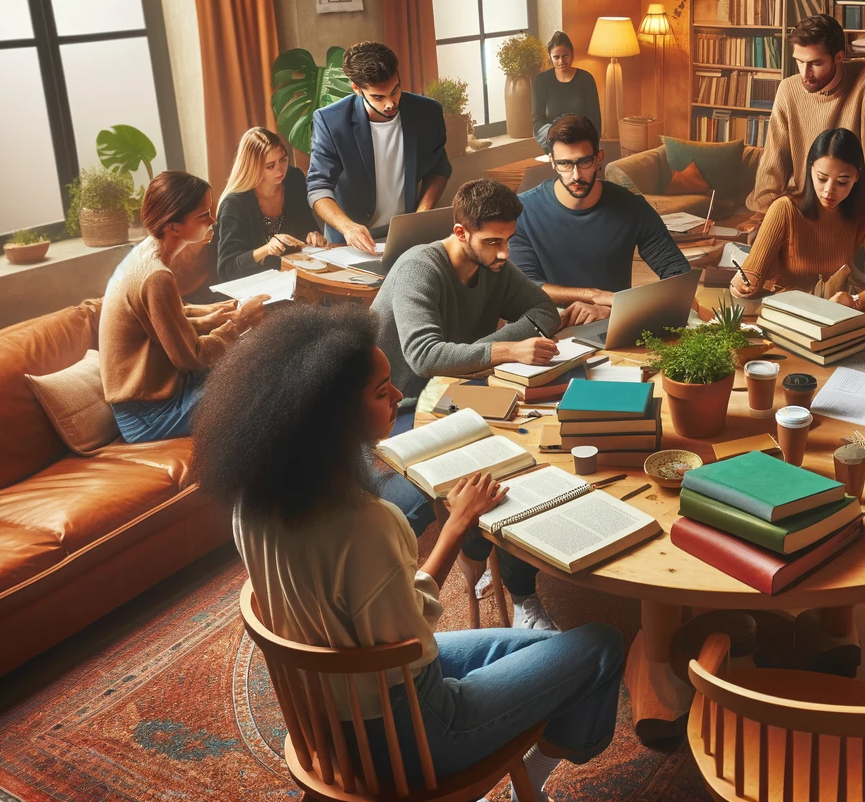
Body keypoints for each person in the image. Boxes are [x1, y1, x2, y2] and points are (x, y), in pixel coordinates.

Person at [195, 306, 624, 799]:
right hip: (408, 736)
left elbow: (386, 631)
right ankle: (538, 771)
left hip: (324, 713)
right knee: (602, 644)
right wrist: (456, 526)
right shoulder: (366, 525)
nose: (399, 396)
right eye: (382, 392)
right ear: (332, 420)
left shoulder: (250, 500)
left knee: (549, 650)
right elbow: (415, 625)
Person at [370, 177, 562, 630]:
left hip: (460, 392)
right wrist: (506, 350)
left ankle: (496, 567)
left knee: (529, 455)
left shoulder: (493, 266)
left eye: (509, 241)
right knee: (485, 469)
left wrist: (478, 348)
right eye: (493, 242)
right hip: (400, 407)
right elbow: (424, 356)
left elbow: (545, 313)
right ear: (460, 233)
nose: (503, 253)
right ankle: (506, 580)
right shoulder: (421, 266)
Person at [100, 171, 268, 442]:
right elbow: (193, 357)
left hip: (161, 394)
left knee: (261, 360)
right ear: (174, 226)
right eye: (203, 215)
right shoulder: (156, 277)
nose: (213, 220)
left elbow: (165, 315)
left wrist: (212, 315)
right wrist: (240, 323)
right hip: (150, 414)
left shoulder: (145, 253)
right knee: (268, 384)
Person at [746, 14, 865, 264]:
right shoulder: (788, 90)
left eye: (815, 63)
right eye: (799, 62)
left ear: (839, 57)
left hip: (855, 211)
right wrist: (763, 215)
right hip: (803, 211)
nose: (806, 74)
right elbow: (774, 160)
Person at [509, 113, 690, 327]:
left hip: (615, 322)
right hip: (552, 329)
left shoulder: (631, 206)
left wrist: (613, 309)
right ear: (552, 162)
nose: (576, 175)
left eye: (584, 162)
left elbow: (678, 275)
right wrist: (593, 295)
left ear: (599, 158)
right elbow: (528, 286)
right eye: (565, 164)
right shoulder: (522, 211)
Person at [732, 127, 865, 312]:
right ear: (810, 169)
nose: (829, 190)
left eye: (842, 182)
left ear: (857, 176)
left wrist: (855, 300)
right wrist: (743, 284)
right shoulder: (785, 208)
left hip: (835, 312)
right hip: (788, 311)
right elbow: (751, 273)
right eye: (822, 178)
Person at [307, 40, 452, 253]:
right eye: (378, 97)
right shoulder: (331, 122)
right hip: (350, 240)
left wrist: (422, 215)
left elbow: (439, 168)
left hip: (406, 234)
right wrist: (348, 228)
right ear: (356, 89)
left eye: (395, 91)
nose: (390, 103)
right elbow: (318, 187)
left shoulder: (427, 113)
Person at [214, 127, 324, 281]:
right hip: (255, 287)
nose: (280, 170)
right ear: (253, 167)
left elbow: (307, 226)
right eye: (270, 166)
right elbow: (228, 270)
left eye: (283, 159)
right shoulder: (234, 204)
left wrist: (314, 236)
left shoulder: (294, 180)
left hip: (295, 278)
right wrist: (266, 249)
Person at [532, 31, 604, 154]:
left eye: (565, 56)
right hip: (553, 146)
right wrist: (557, 144)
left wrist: (587, 148)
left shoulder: (586, 79)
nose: (561, 61)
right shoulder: (541, 81)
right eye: (556, 57)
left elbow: (594, 121)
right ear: (549, 56)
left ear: (572, 55)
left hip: (583, 145)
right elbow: (537, 120)